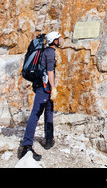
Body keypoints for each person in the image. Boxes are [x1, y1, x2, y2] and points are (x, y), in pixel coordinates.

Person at [20, 31, 62, 161]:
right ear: (55, 41)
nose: (61, 40)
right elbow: (50, 72)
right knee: (36, 114)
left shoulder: (48, 52)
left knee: (49, 111)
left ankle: (48, 139)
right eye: (59, 38)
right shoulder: (50, 53)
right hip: (44, 89)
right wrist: (53, 88)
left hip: (45, 88)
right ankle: (26, 146)